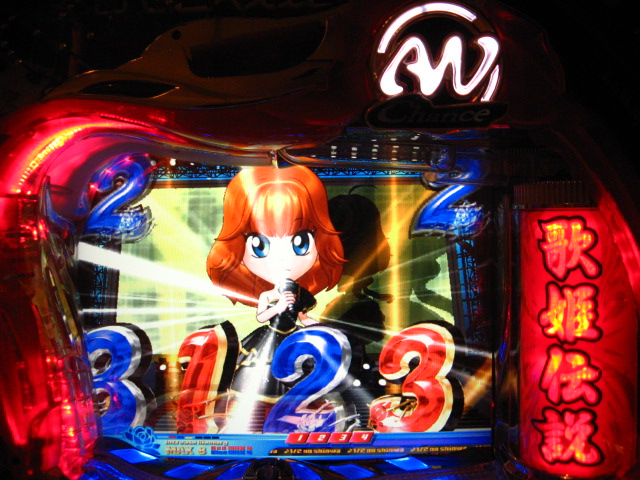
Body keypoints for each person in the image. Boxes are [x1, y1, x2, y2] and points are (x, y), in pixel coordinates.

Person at [206, 164, 344, 430]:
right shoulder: (268, 294)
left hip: (295, 341)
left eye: (300, 241)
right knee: (256, 388)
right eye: (260, 244)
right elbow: (262, 316)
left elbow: (302, 315)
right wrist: (278, 306)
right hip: (266, 343)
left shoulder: (300, 292)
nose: (281, 259)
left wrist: (314, 325)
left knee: (298, 383)